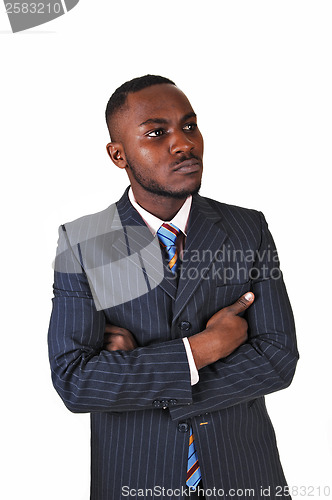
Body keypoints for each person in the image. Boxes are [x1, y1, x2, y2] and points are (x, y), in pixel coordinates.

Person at [48, 75, 298, 500]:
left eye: (189, 126)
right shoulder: (84, 242)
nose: (183, 144)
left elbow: (277, 358)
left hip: (246, 476)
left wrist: (142, 374)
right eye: (157, 133)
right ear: (118, 154)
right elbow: (76, 381)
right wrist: (206, 347)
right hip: (134, 477)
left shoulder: (247, 228)